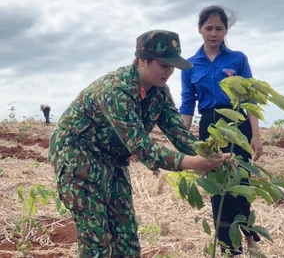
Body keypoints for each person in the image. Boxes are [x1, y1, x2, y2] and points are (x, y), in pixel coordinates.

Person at [48, 30, 231, 258]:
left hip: (113, 158)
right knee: (97, 239)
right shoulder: (115, 90)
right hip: (77, 154)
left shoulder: (159, 91)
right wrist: (192, 163)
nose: (169, 72)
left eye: (172, 66)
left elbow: (177, 130)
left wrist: (210, 155)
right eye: (164, 65)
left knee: (126, 237)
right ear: (142, 60)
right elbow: (142, 147)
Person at [179, 5, 264, 256]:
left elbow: (250, 99)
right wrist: (183, 138)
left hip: (238, 125)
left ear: (226, 30)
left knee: (239, 179)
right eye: (209, 28)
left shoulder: (238, 59)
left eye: (219, 28)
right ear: (199, 29)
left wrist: (256, 136)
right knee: (217, 185)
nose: (214, 33)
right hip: (209, 127)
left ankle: (247, 234)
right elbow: (187, 103)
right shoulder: (190, 65)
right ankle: (229, 247)